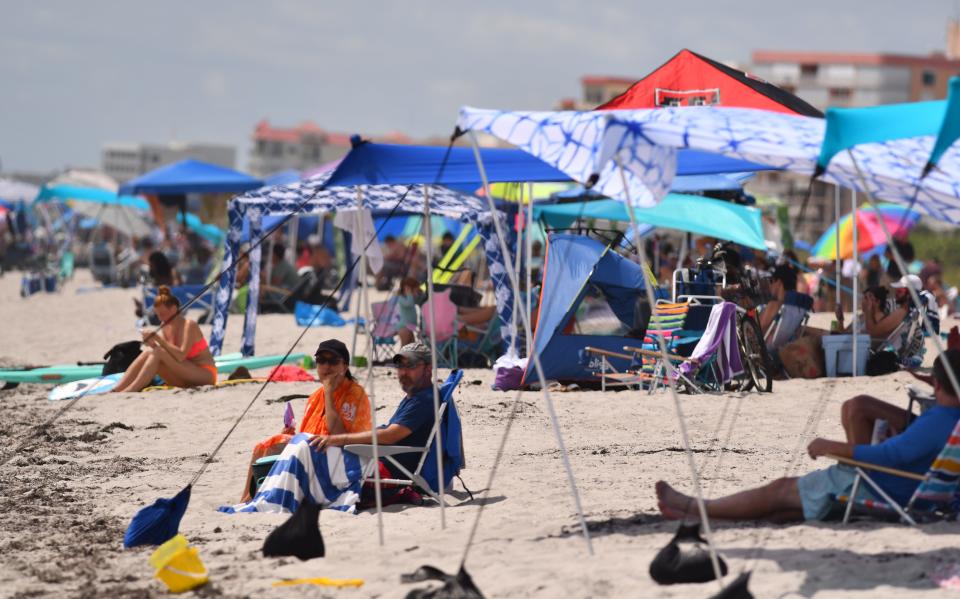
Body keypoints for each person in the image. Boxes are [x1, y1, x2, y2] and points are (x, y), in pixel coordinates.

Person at [655, 349, 960, 522]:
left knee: (779, 489)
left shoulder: (938, 420)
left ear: (936, 383)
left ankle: (695, 506)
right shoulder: (950, 421)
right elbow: (905, 452)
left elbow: (889, 456)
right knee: (784, 508)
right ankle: (704, 514)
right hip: (908, 490)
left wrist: (830, 447)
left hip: (882, 488)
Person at [240, 339, 370, 501]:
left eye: (333, 361)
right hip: (313, 450)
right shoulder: (315, 396)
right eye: (321, 361)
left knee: (277, 445)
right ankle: (248, 498)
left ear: (345, 366)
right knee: (264, 446)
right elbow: (307, 434)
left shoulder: (355, 394)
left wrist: (329, 393)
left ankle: (258, 498)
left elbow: (339, 436)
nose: (326, 366)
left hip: (341, 456)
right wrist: (290, 434)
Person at [309, 342, 441, 483]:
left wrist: (337, 439)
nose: (403, 372)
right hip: (385, 461)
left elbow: (390, 436)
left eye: (411, 366)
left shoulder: (424, 400)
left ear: (428, 368)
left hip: (389, 472)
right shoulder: (416, 396)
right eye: (400, 366)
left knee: (314, 465)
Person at [114, 286, 217, 392]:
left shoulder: (189, 325)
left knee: (158, 351)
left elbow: (181, 356)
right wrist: (152, 343)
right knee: (149, 352)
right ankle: (117, 389)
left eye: (163, 314)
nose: (160, 319)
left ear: (173, 309)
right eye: (158, 315)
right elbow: (166, 354)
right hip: (185, 376)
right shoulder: (165, 326)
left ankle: (131, 389)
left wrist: (158, 339)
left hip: (204, 374)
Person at [758, 264, 798, 335]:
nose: (770, 285)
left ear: (779, 282)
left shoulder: (774, 305)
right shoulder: (795, 307)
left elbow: (755, 331)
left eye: (771, 281)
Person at [396, 277, 421, 346]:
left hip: (410, 326)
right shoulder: (401, 298)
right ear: (408, 288)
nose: (417, 291)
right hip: (404, 326)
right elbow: (409, 304)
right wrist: (409, 293)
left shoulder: (411, 298)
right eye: (415, 289)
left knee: (411, 347)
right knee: (404, 347)